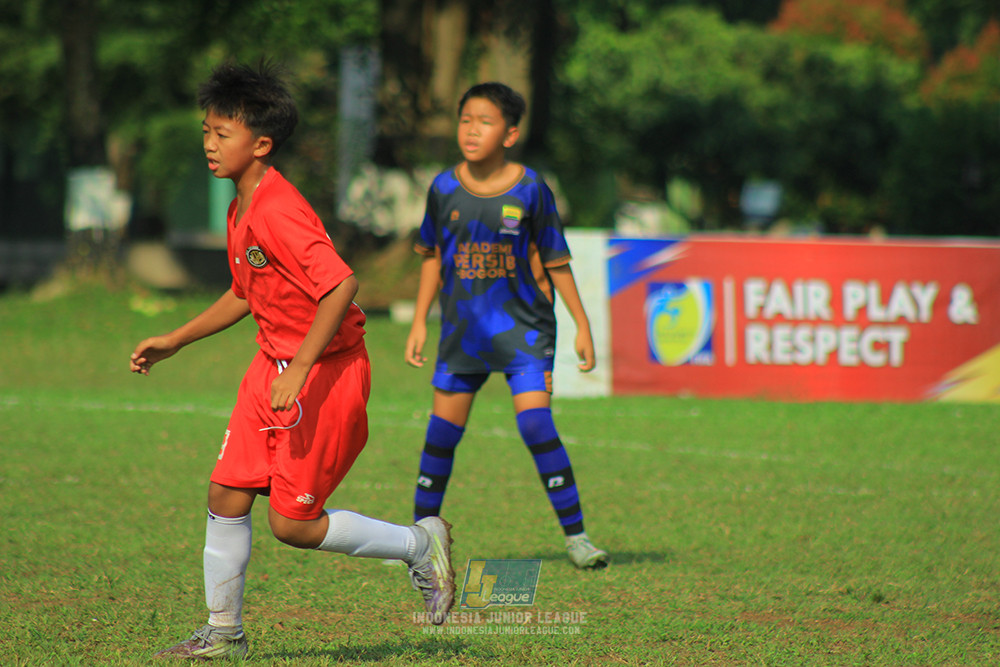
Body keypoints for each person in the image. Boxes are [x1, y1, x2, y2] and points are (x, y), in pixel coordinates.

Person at [130, 61, 455, 661]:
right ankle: (223, 630)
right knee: (226, 492)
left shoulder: (278, 208)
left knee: (294, 527)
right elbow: (243, 292)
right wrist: (176, 339)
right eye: (205, 130)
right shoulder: (240, 207)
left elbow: (341, 285)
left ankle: (418, 544)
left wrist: (301, 368)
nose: (208, 143)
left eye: (220, 134)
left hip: (323, 373)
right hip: (273, 367)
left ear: (261, 143)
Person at [404, 82, 608, 570]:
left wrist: (581, 324)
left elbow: (557, 261)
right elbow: (431, 259)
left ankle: (577, 538)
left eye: (485, 121)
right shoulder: (443, 188)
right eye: (465, 119)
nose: (472, 130)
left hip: (524, 331)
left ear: (510, 134)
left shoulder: (532, 189)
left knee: (536, 424)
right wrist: (418, 322)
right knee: (441, 437)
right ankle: (416, 545)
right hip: (462, 334)